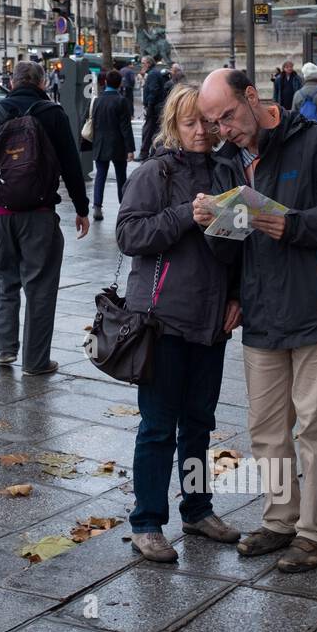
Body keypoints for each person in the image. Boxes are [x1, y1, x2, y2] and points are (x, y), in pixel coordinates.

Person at [195, 69, 317, 573]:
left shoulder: (314, 143)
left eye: (227, 116)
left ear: (252, 97)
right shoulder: (228, 161)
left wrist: (293, 225)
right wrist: (212, 224)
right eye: (213, 123)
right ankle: (279, 520)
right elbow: (228, 249)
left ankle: (316, 533)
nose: (222, 129)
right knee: (267, 429)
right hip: (263, 314)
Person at [116, 83, 243, 562]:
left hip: (211, 322)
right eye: (190, 123)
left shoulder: (226, 170)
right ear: (173, 124)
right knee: (156, 425)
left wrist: (237, 297)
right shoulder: (156, 171)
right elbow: (129, 234)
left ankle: (196, 508)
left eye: (207, 123)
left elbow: (238, 247)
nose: (201, 132)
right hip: (161, 321)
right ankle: (147, 522)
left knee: (199, 424)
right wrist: (184, 215)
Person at [0, 60, 91, 376]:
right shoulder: (52, 114)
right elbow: (72, 166)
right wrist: (82, 208)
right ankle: (35, 362)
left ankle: (5, 350)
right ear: (43, 83)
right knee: (40, 288)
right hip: (38, 214)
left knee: (5, 281)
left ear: (12, 82)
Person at [89, 69, 136, 221]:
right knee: (121, 177)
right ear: (119, 83)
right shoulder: (121, 101)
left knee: (100, 176)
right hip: (118, 144)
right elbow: (125, 127)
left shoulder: (97, 100)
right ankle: (123, 207)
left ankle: (97, 206)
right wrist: (130, 149)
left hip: (101, 143)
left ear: (105, 82)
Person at [139, 57, 167, 158]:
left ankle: (144, 153)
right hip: (157, 107)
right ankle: (152, 152)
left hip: (154, 107)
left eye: (143, 63)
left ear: (148, 64)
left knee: (148, 130)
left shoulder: (152, 74)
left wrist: (149, 106)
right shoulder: (154, 73)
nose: (141, 65)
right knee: (155, 131)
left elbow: (153, 90)